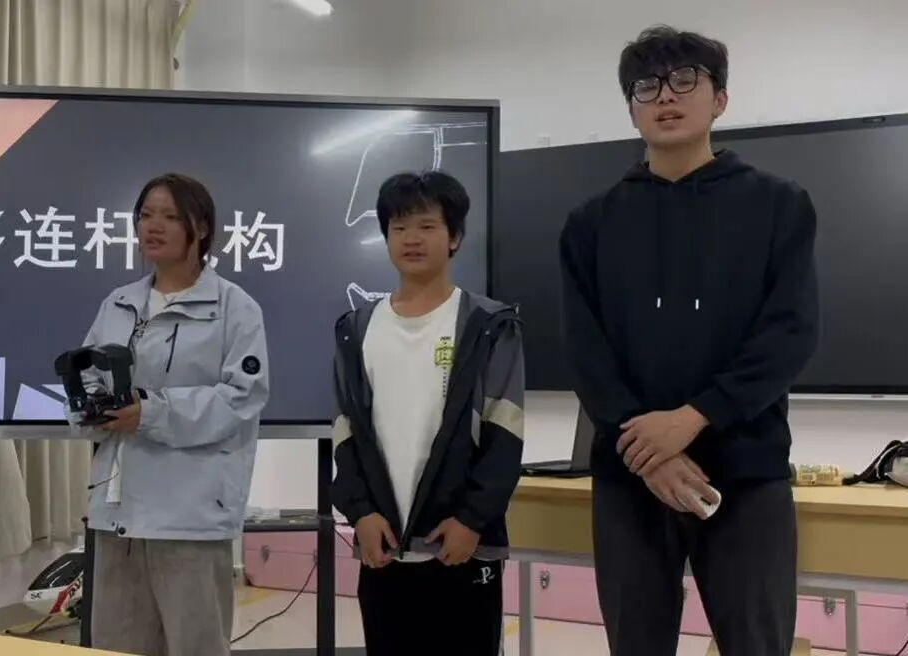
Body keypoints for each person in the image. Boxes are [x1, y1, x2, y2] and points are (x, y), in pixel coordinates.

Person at [559, 26, 820, 656]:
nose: (665, 96)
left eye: (685, 80)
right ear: (631, 109)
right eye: (646, 86)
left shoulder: (778, 205)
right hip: (631, 475)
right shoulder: (591, 224)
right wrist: (649, 452)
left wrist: (692, 418)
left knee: (757, 643)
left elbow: (790, 332)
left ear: (720, 99)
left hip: (746, 470)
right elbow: (586, 352)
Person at [66, 172, 270, 656]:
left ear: (201, 227)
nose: (152, 226)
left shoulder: (235, 308)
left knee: (195, 645)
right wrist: (89, 406)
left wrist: (152, 413)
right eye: (145, 215)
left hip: (190, 518)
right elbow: (89, 373)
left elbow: (241, 398)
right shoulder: (119, 303)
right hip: (117, 516)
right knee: (116, 645)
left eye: (170, 216)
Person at [331, 171, 525, 655]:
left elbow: (505, 435)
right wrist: (360, 513)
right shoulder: (357, 328)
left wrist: (472, 520)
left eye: (426, 226)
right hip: (384, 547)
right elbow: (346, 433)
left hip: (460, 546)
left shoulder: (488, 326)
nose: (411, 238)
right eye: (399, 228)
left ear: (455, 237)